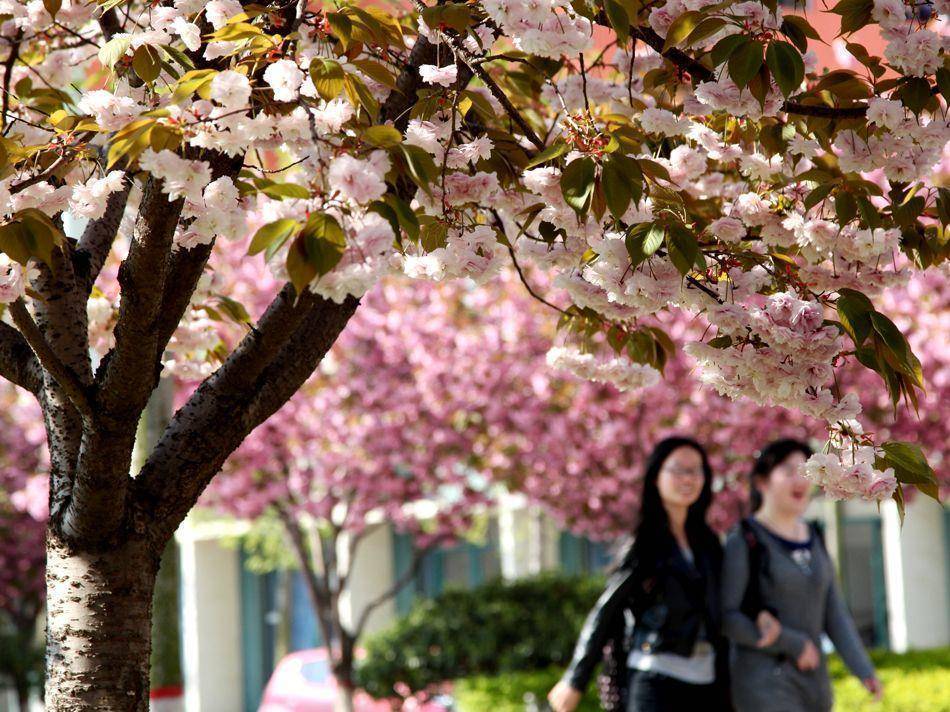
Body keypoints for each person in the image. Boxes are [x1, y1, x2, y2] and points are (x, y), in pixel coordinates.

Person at [548, 437, 753, 712]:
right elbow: (606, 611)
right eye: (678, 469)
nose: (688, 478)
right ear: (656, 477)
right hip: (656, 681)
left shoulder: (708, 543)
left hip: (709, 683)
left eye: (696, 470)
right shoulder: (645, 542)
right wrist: (575, 679)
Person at [721, 439, 884, 712]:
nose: (799, 479)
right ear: (762, 482)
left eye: (805, 471)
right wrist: (793, 643)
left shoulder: (815, 536)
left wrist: (863, 669)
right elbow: (727, 616)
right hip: (764, 684)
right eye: (787, 471)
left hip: (814, 685)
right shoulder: (744, 539)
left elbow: (834, 612)